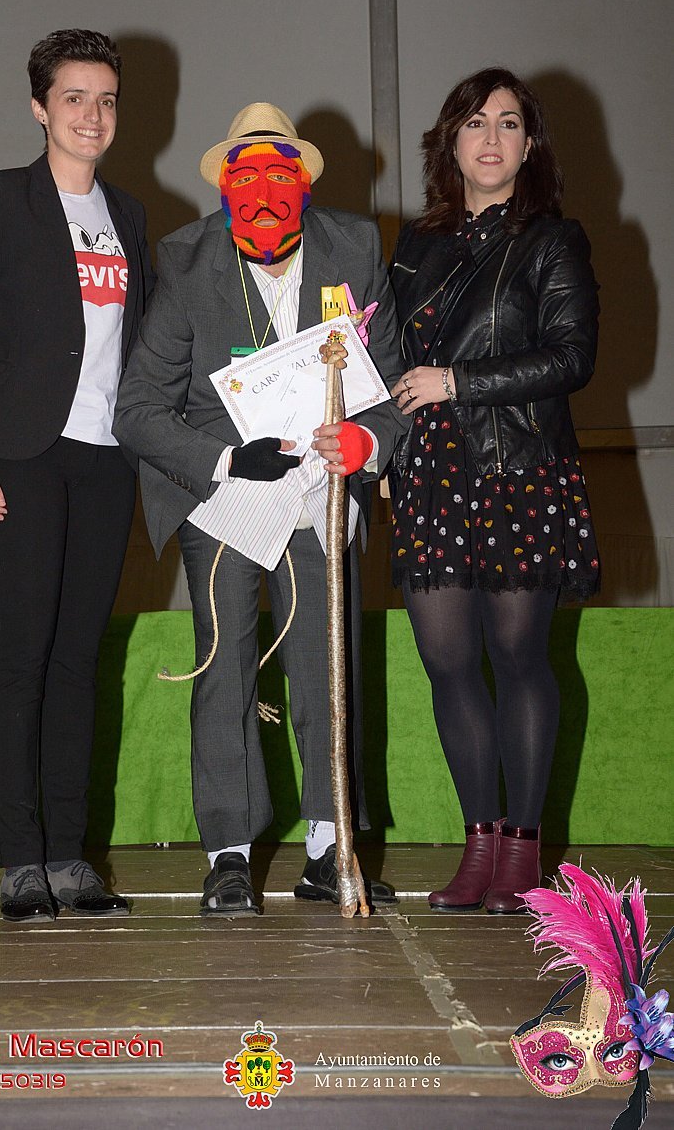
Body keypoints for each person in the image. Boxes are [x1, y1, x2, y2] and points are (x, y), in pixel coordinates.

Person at [113, 102, 409, 916]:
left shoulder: (354, 250)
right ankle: (229, 857)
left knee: (325, 665)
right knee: (225, 668)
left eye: (281, 179)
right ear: (222, 193)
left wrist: (367, 442)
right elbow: (137, 409)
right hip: (225, 496)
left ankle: (327, 848)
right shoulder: (186, 263)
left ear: (306, 186)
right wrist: (221, 461)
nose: (264, 198)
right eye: (245, 183)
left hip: (318, 490)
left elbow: (388, 389)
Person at [0, 29, 153, 922]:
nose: (91, 115)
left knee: (78, 660)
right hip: (22, 457)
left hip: (106, 461)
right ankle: (20, 861)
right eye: (73, 98)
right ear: (39, 107)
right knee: (23, 654)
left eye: (105, 100)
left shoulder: (130, 214)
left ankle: (71, 858)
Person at [388, 66, 600, 914]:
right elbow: (382, 357)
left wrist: (456, 383)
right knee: (446, 664)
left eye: (508, 123)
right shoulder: (413, 245)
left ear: (528, 145)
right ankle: (478, 846)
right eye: (474, 122)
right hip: (432, 473)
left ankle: (521, 849)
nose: (490, 137)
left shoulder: (553, 240)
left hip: (519, 469)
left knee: (517, 658)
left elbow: (571, 357)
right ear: (449, 140)